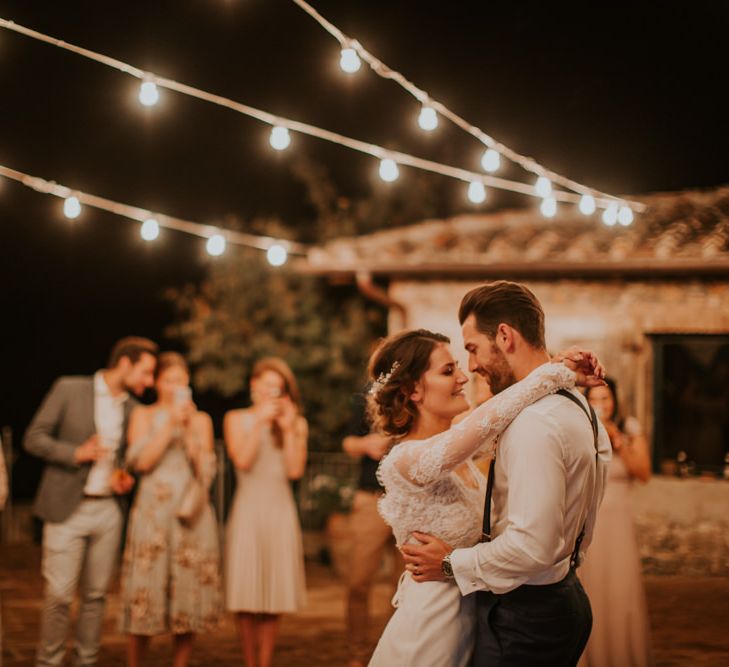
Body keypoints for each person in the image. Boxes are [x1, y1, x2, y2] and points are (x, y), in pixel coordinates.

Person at [400, 281, 612, 667]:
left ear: (504, 336)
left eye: (472, 349)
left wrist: (449, 564)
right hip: (558, 591)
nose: (471, 367)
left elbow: (532, 546)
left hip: (526, 612)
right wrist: (556, 371)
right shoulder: (577, 405)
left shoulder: (535, 423)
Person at [24, 336, 157, 667]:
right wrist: (75, 453)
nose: (149, 382)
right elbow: (34, 437)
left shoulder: (135, 410)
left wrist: (125, 478)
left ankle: (87, 661)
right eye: (146, 372)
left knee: (96, 598)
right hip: (66, 508)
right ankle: (49, 663)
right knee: (58, 596)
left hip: (109, 510)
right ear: (124, 363)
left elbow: (132, 460)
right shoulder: (69, 388)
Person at [120, 352, 222, 667]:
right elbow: (141, 463)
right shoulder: (144, 416)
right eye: (170, 380)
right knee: (145, 592)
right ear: (159, 384)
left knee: (187, 593)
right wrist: (170, 426)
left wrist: (189, 431)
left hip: (189, 514)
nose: (176, 386)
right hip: (153, 513)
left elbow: (205, 471)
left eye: (182, 380)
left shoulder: (201, 420)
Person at [224, 358, 308, 667]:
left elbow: (295, 470)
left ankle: (265, 661)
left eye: (278, 388)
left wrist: (286, 430)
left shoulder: (296, 423)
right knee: (245, 595)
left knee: (274, 594)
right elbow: (242, 462)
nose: (272, 393)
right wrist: (259, 422)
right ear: (253, 387)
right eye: (267, 386)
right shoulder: (236, 419)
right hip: (248, 509)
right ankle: (249, 662)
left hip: (279, 510)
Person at [578, 378, 653, 667]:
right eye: (594, 399)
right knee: (591, 588)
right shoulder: (581, 429)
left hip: (619, 520)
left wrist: (618, 440)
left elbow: (643, 473)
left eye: (605, 398)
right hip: (589, 520)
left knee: (621, 587)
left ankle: (622, 656)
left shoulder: (630, 428)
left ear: (614, 400)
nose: (600, 404)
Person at [341, 391, 402, 667]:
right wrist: (367, 444)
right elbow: (347, 443)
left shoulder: (420, 390)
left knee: (403, 588)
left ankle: (396, 654)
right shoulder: (366, 394)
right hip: (370, 498)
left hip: (409, 497)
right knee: (357, 582)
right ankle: (356, 655)